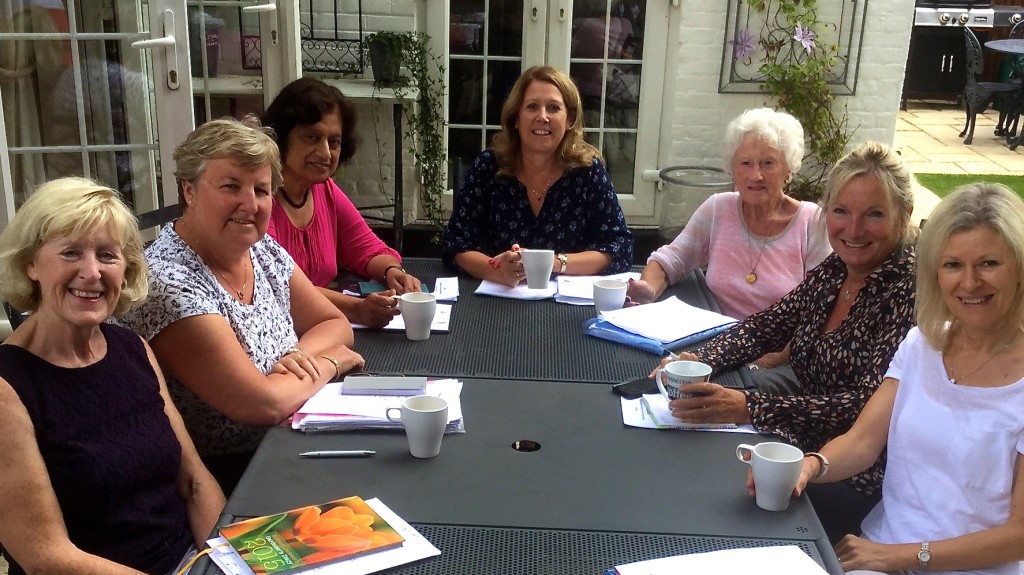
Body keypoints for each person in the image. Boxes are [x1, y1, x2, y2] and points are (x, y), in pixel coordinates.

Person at [790, 183, 1024, 575]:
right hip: (882, 553)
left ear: (1019, 268)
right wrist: (811, 465)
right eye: (953, 264)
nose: (969, 282)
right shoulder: (923, 344)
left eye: (988, 263)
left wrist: (900, 555)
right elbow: (863, 442)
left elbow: (1019, 536)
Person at [0, 177, 225, 575]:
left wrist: (224, 564)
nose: (92, 272)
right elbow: (48, 563)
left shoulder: (131, 348)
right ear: (31, 264)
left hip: (182, 567)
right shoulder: (8, 387)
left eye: (107, 255)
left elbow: (193, 480)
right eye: (70, 253)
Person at [656, 142, 918, 539]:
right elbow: (767, 326)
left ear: (905, 215)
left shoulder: (909, 291)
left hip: (858, 476)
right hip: (797, 438)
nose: (853, 229)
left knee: (718, 500)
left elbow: (861, 408)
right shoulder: (837, 269)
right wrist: (699, 359)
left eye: (874, 214)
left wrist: (750, 407)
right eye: (841, 211)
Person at [123, 117, 364, 493]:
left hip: (287, 441)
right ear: (189, 190)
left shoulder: (258, 248)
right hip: (223, 477)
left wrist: (298, 357)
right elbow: (261, 404)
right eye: (231, 186)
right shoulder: (167, 282)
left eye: (261, 190)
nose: (250, 204)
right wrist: (331, 362)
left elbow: (334, 323)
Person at [627, 108, 831, 321]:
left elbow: (821, 305)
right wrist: (648, 290)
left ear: (788, 169)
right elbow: (670, 259)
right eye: (746, 163)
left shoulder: (812, 221)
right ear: (733, 170)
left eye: (768, 163)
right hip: (714, 335)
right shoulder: (718, 209)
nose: (756, 175)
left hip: (780, 341)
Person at [441, 65, 634, 286]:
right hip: (500, 297)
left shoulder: (588, 172)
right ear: (516, 117)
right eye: (532, 107)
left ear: (569, 119)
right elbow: (455, 244)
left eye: (553, 108)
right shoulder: (489, 166)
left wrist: (553, 263)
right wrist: (496, 271)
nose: (542, 117)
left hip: (566, 300)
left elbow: (619, 248)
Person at [262, 78, 421, 328]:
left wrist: (393, 272)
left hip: (323, 327)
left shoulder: (324, 190)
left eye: (334, 141)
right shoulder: (259, 199)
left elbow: (365, 248)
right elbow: (277, 286)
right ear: (281, 138)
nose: (326, 153)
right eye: (312, 137)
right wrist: (356, 309)